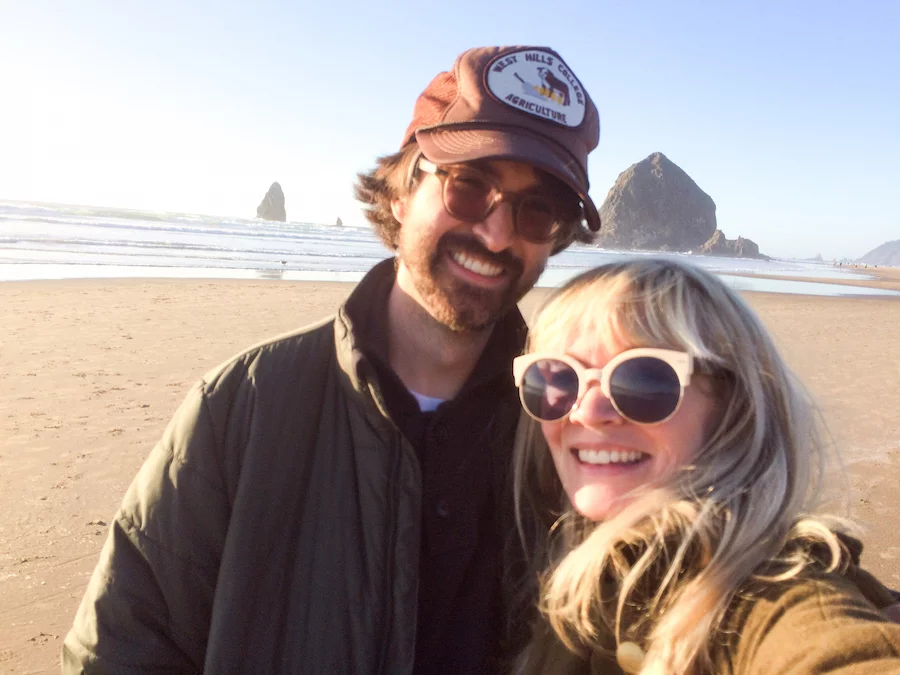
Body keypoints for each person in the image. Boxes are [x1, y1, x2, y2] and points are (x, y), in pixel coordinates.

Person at [62, 45, 602, 674]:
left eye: (537, 211)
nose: (497, 233)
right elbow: (120, 646)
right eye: (468, 185)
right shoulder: (245, 405)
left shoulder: (572, 430)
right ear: (401, 193)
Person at [510, 258, 900, 674]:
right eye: (557, 379)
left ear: (734, 410)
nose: (587, 412)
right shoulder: (533, 551)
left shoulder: (768, 595)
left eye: (643, 380)